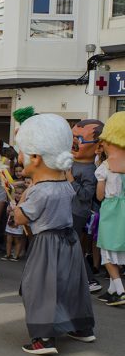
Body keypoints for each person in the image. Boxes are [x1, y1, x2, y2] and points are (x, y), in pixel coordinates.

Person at [14, 113, 95, 355]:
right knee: (71, 285)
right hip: (69, 241)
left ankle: (44, 339)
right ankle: (82, 328)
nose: (19, 158)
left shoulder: (40, 191)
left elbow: (21, 218)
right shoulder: (64, 185)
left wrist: (18, 203)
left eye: (23, 152)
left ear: (36, 158)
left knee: (39, 287)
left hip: (47, 243)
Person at [67, 119, 105, 293]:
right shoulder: (70, 161)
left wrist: (71, 179)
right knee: (68, 245)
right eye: (72, 137)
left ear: (97, 147)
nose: (74, 143)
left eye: (79, 139)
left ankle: (89, 280)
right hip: (66, 209)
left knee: (72, 246)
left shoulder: (91, 170)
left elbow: (85, 195)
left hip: (77, 212)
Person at [94, 111, 125, 306]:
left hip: (111, 210)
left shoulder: (104, 167)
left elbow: (99, 195)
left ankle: (121, 291)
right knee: (119, 248)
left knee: (106, 251)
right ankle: (113, 290)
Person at [1, 184, 26, 262]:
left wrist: (15, 212)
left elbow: (24, 213)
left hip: (18, 224)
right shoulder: (12, 202)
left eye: (20, 193)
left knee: (17, 240)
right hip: (10, 223)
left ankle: (16, 255)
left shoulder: (24, 203)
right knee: (8, 239)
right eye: (16, 193)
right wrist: (8, 210)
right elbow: (7, 212)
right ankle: (8, 254)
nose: (17, 195)